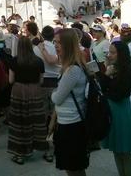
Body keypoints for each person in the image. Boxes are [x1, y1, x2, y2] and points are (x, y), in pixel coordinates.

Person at [51, 28, 89, 176]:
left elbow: (57, 98)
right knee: (73, 166)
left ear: (67, 44)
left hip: (72, 125)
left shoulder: (72, 70)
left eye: (59, 42)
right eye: (55, 42)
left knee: (74, 167)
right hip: (67, 122)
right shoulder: (68, 67)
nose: (55, 45)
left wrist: (54, 93)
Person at [99, 41, 131, 176]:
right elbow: (104, 89)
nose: (109, 55)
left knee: (125, 152)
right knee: (116, 151)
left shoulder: (127, 72)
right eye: (109, 52)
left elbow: (117, 95)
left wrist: (106, 76)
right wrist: (106, 74)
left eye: (113, 52)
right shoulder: (112, 69)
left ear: (121, 54)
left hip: (122, 114)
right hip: (112, 113)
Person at [7, 36, 47, 165]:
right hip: (35, 91)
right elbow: (41, 81)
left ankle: (20, 153)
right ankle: (41, 147)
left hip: (18, 91)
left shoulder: (14, 61)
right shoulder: (39, 61)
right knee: (36, 120)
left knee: (19, 122)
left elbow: (11, 80)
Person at [35, 25, 60, 162]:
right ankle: (55, 145)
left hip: (42, 83)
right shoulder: (56, 47)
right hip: (55, 83)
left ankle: (46, 147)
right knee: (54, 116)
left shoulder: (37, 48)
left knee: (44, 117)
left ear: (43, 35)